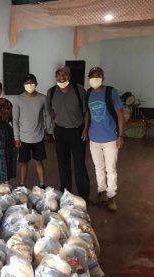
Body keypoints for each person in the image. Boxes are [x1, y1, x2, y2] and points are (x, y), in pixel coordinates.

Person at [47, 66, 90, 202]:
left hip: (77, 131)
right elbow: (51, 111)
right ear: (55, 77)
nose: (62, 77)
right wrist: (53, 127)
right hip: (60, 132)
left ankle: (84, 195)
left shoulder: (79, 90)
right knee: (62, 163)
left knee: (79, 163)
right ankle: (66, 192)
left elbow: (86, 112)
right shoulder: (52, 92)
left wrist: (85, 129)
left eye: (65, 75)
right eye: (59, 75)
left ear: (69, 76)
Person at [86, 67, 124, 211]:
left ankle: (111, 197)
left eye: (98, 75)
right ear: (88, 78)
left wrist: (120, 136)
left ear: (103, 77)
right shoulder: (89, 93)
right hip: (94, 138)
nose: (95, 78)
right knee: (98, 168)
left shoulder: (111, 92)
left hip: (110, 139)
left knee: (111, 169)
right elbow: (88, 114)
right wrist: (86, 130)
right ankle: (101, 193)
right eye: (92, 76)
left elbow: (120, 115)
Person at [13, 74, 52, 188]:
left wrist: (47, 130)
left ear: (36, 84)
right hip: (23, 138)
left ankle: (42, 184)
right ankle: (22, 184)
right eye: (27, 83)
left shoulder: (43, 98)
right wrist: (16, 137)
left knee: (39, 162)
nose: (29, 85)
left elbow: (48, 115)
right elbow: (15, 120)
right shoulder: (18, 99)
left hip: (38, 137)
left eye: (32, 82)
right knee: (23, 163)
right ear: (23, 84)